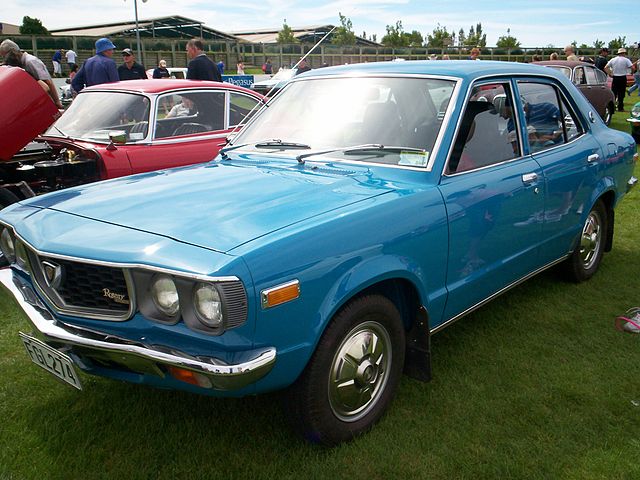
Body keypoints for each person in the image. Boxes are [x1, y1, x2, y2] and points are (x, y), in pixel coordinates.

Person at [0, 39, 63, 108]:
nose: (5, 59)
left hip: (46, 101)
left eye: (4, 56)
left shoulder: (30, 62)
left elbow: (47, 82)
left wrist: (57, 102)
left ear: (12, 52)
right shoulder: (21, 62)